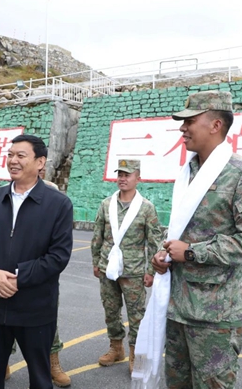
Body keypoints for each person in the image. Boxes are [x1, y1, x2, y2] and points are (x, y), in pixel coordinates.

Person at [152, 90, 242, 388]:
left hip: (213, 315)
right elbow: (180, 229)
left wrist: (192, 252)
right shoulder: (189, 171)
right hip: (176, 307)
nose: (182, 128)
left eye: (190, 121)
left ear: (215, 125)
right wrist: (163, 253)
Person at [0, 134, 73, 389]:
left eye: (21, 156)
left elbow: (58, 256)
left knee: (40, 377)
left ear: (40, 162)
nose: (13, 160)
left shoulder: (58, 205)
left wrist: (18, 277)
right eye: (10, 155)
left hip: (35, 309)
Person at [91, 159, 162, 375]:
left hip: (134, 271)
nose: (122, 179)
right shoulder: (106, 204)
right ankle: (116, 348)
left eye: (127, 175)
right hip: (107, 268)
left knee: (136, 315)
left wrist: (151, 272)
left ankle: (135, 353)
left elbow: (155, 242)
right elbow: (98, 236)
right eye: (120, 175)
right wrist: (96, 262)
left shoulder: (146, 207)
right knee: (111, 311)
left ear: (137, 178)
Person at [5, 164, 71, 387]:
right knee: (4, 319)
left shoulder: (52, 194)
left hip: (41, 273)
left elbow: (58, 246)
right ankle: (2, 360)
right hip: (8, 270)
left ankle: (53, 364)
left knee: (46, 323)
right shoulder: (7, 193)